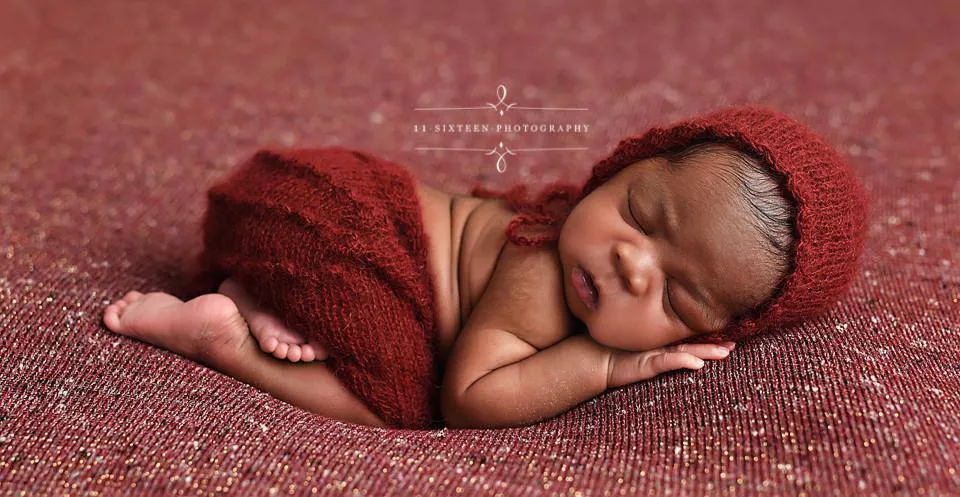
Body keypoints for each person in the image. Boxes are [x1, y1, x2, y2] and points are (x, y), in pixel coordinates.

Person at [102, 105, 870, 429]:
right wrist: (598, 362)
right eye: (639, 216)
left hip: (309, 205)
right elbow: (469, 398)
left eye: (679, 294)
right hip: (329, 222)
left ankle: (267, 293)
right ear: (624, 164)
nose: (633, 267)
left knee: (380, 320)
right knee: (399, 402)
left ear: (726, 328)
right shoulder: (541, 278)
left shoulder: (569, 238)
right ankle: (219, 336)